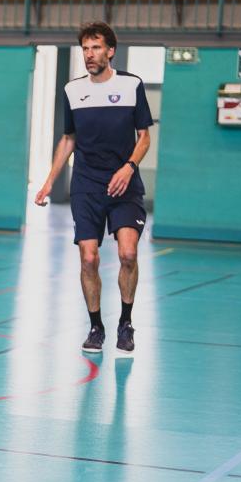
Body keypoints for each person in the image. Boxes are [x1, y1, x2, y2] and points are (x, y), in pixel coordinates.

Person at [35, 21, 152, 354]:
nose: (89, 54)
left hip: (124, 183)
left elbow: (144, 137)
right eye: (85, 48)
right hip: (86, 184)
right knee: (88, 259)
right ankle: (96, 326)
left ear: (110, 51)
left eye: (96, 47)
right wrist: (49, 181)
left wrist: (129, 167)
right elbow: (68, 138)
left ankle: (125, 323)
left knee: (128, 254)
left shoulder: (131, 85)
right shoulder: (73, 90)